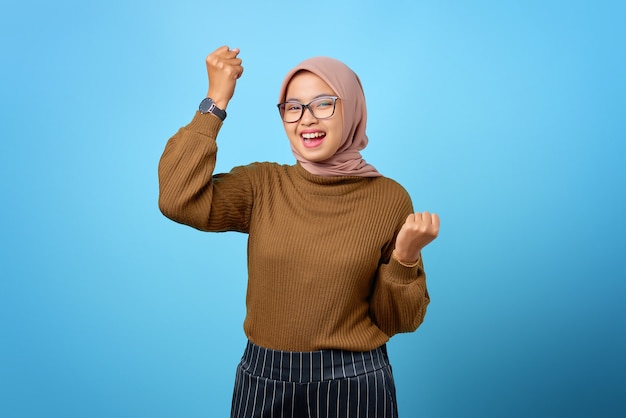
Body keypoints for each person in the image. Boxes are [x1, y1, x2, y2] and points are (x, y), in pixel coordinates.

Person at [158, 45, 440, 418]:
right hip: (264, 379)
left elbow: (398, 322)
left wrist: (405, 259)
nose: (306, 119)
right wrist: (216, 100)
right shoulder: (262, 185)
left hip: (354, 382)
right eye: (293, 107)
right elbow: (176, 199)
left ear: (352, 108)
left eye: (324, 104)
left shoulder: (388, 198)